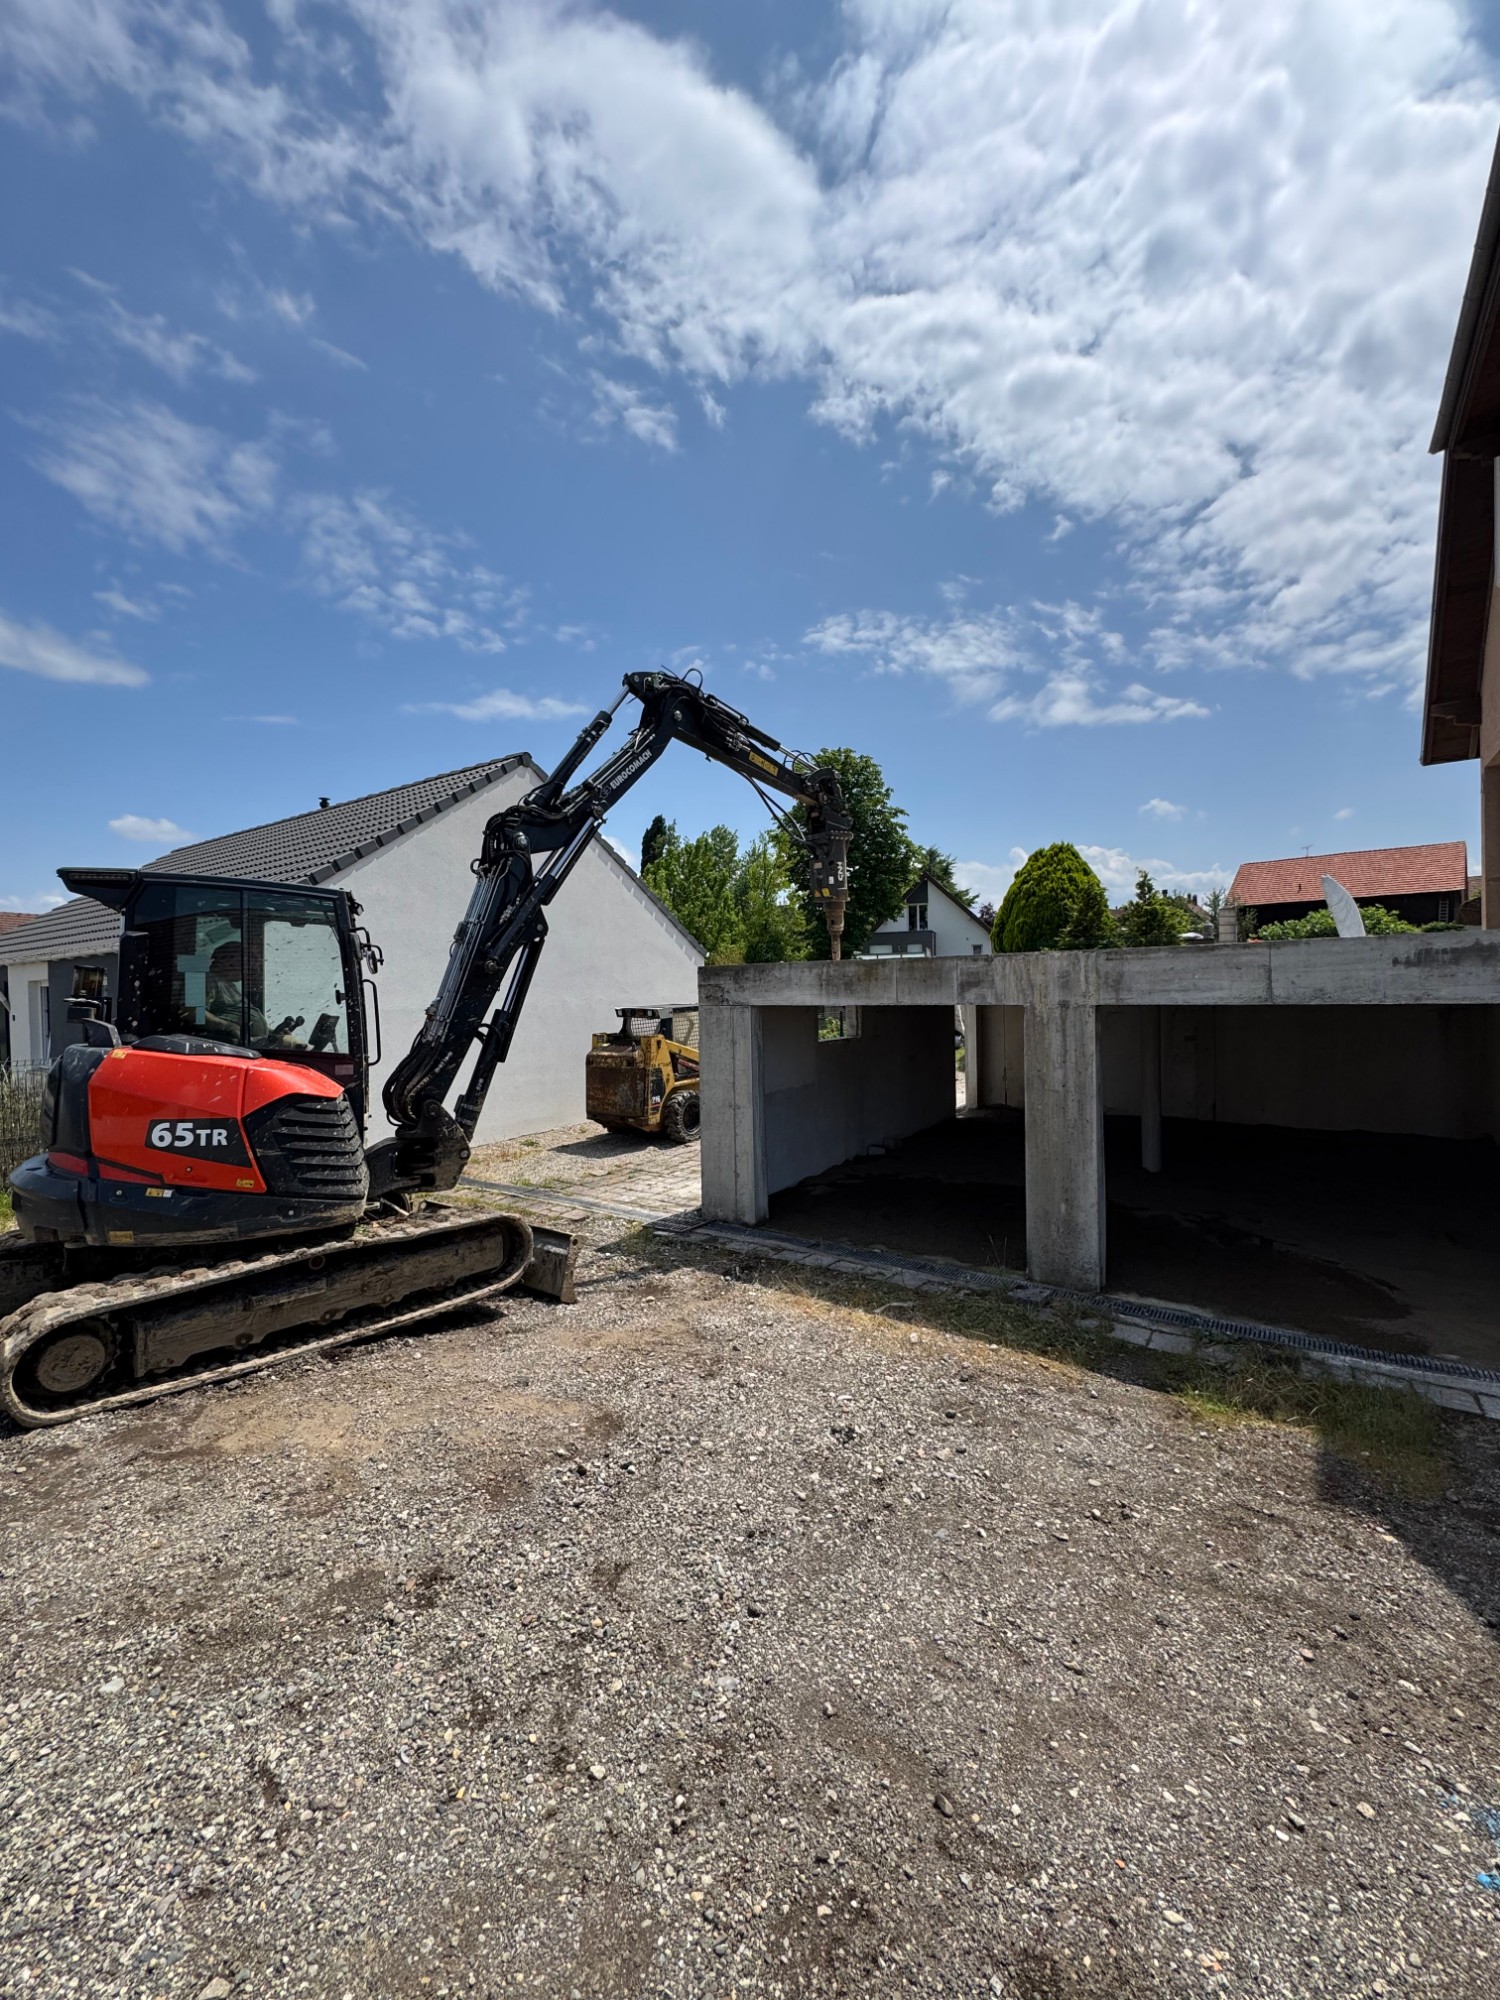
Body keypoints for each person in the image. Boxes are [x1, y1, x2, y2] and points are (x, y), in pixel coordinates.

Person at [203, 941, 267, 1046]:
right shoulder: (208, 980)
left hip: (248, 1042)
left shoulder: (229, 985)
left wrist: (270, 1031)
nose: (246, 970)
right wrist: (228, 1026)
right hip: (226, 1045)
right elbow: (194, 1014)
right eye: (241, 964)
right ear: (223, 961)